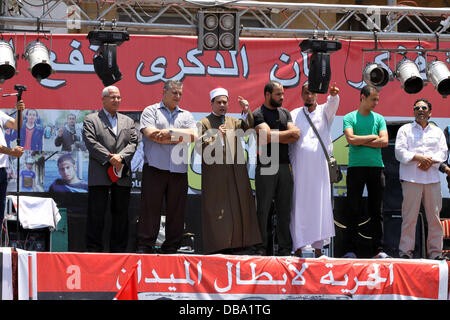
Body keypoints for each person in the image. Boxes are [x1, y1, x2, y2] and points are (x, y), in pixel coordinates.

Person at [196, 87, 262, 254]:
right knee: (219, 210)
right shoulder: (203, 123)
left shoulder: (233, 121)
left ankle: (241, 243)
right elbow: (199, 147)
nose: (222, 105)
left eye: (225, 102)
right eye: (218, 102)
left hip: (236, 172)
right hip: (216, 175)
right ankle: (220, 245)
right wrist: (217, 136)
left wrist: (246, 110)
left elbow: (247, 128)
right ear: (211, 103)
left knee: (240, 206)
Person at [136, 80, 197, 254]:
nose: (178, 97)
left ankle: (171, 246)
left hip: (178, 170)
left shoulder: (186, 115)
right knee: (150, 209)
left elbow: (193, 136)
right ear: (164, 92)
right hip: (155, 168)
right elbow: (151, 134)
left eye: (180, 94)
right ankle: (145, 245)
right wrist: (179, 136)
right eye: (174, 93)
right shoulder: (150, 111)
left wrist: (167, 134)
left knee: (176, 211)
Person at [83, 86, 138, 253]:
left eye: (119, 98)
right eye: (113, 97)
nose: (116, 100)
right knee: (96, 214)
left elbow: (133, 142)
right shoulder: (91, 119)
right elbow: (91, 142)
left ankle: (119, 250)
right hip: (99, 173)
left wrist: (120, 157)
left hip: (121, 173)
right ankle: (94, 250)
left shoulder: (128, 121)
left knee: (121, 214)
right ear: (103, 99)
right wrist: (110, 157)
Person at [289, 82, 340, 258]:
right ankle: (298, 247)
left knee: (319, 205)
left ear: (317, 95)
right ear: (302, 94)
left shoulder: (325, 112)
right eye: (306, 93)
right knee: (299, 205)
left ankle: (318, 250)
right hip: (300, 167)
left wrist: (333, 96)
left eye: (312, 93)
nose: (309, 96)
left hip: (319, 168)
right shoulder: (294, 114)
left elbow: (333, 105)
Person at [395, 98, 448, 260]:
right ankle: (405, 253)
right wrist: (419, 158)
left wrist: (429, 161)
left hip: (432, 180)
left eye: (424, 107)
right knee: (409, 218)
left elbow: (443, 154)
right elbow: (400, 152)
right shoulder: (405, 130)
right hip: (411, 179)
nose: (420, 110)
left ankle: (436, 254)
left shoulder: (437, 132)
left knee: (434, 219)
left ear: (430, 112)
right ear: (413, 111)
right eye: (417, 108)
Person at [252, 80, 300, 256]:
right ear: (267, 94)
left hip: (284, 165)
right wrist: (284, 135)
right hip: (266, 164)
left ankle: (285, 248)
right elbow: (264, 134)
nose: (282, 97)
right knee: (263, 209)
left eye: (283, 94)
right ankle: (260, 248)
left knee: (284, 209)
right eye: (278, 94)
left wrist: (273, 136)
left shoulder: (285, 112)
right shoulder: (258, 113)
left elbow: (295, 134)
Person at [342, 85, 388, 259]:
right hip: (356, 168)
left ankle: (378, 250)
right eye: (373, 99)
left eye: (377, 99)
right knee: (352, 209)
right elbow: (350, 139)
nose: (376, 102)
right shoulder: (349, 117)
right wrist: (372, 137)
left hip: (376, 167)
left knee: (376, 210)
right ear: (362, 97)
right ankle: (350, 250)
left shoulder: (379, 118)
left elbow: (384, 141)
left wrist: (360, 141)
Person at [0, 100, 25, 216]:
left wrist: (19, 111)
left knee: (0, 211)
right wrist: (12, 152)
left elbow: (16, 125)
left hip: (2, 169)